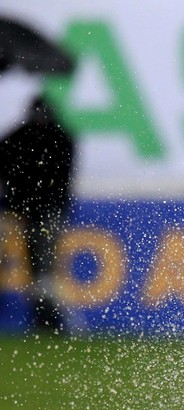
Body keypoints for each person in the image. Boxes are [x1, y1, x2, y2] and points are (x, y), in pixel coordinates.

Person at [0, 16, 76, 332]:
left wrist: (14, 192)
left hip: (26, 205)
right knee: (43, 265)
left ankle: (47, 316)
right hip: (44, 207)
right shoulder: (60, 136)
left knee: (43, 266)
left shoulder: (21, 135)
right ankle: (47, 317)